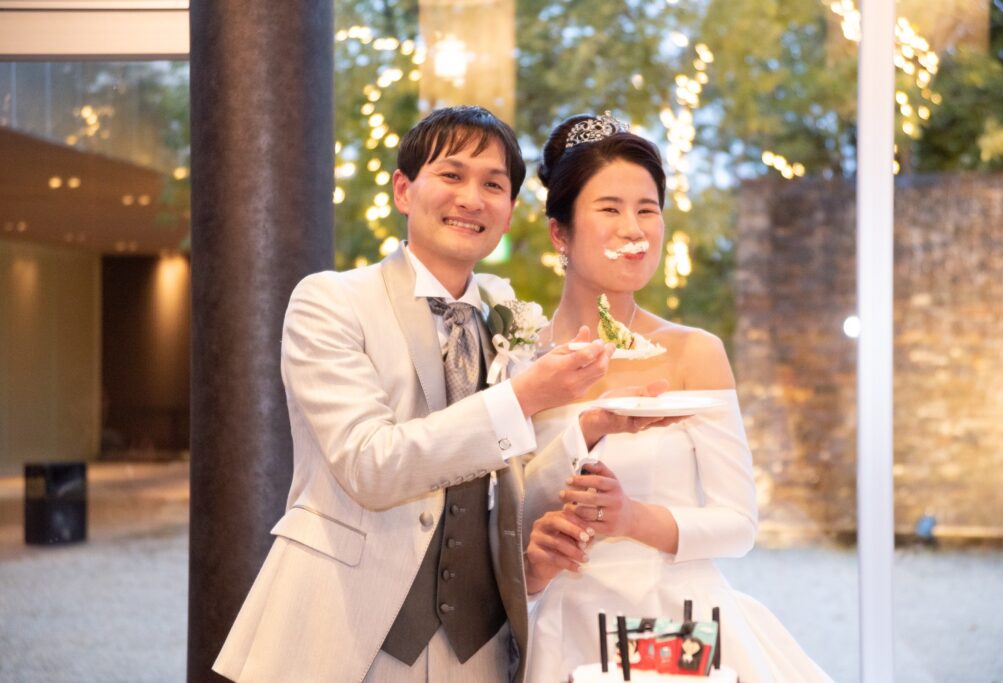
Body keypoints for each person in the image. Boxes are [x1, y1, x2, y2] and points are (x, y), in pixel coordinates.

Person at [212, 106, 618, 683]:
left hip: (477, 648)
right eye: (451, 175)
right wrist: (521, 397)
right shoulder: (330, 301)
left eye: (493, 185)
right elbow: (369, 465)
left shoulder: (508, 316)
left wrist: (592, 427)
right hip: (344, 632)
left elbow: (510, 485)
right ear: (404, 190)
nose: (471, 198)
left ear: (509, 213)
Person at [522, 113, 834, 683]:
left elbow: (738, 524)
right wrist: (532, 567)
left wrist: (630, 517)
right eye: (610, 209)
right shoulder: (519, 364)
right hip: (564, 627)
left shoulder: (694, 352)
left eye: (647, 210)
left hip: (675, 624)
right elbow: (500, 525)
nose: (633, 229)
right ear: (559, 233)